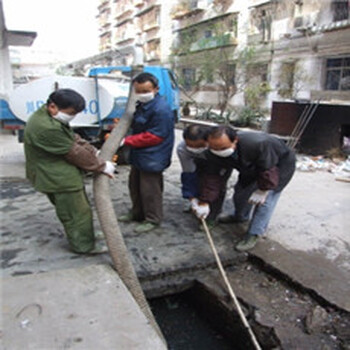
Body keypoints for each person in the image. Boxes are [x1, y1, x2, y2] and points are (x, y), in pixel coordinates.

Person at [24, 89, 116, 254]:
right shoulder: (46, 127)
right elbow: (74, 152)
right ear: (53, 106)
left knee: (76, 210)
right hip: (58, 178)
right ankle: (84, 246)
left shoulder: (48, 116)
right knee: (76, 214)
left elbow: (71, 138)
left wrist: (92, 150)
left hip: (56, 173)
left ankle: (84, 235)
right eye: (71, 113)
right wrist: (101, 166)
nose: (72, 116)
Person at [194, 125, 296, 251]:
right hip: (249, 168)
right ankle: (240, 216)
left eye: (223, 148)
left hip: (277, 165)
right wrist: (205, 201)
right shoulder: (212, 154)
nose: (219, 151)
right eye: (214, 148)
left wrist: (263, 190)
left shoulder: (257, 144)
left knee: (265, 201)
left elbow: (268, 169)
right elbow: (212, 179)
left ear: (235, 140)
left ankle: (254, 233)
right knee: (241, 194)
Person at [119, 72, 175, 233]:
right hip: (140, 154)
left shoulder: (161, 109)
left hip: (153, 155)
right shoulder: (143, 105)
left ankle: (152, 218)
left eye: (146, 91)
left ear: (156, 89)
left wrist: (127, 141)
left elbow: (155, 136)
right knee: (134, 185)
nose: (142, 94)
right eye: (138, 91)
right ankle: (137, 213)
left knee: (150, 190)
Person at [176, 124, 229, 229]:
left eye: (198, 146)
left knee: (217, 186)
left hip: (219, 164)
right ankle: (198, 205)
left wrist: (206, 201)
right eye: (189, 146)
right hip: (199, 162)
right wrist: (192, 199)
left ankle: (212, 216)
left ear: (207, 141)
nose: (193, 149)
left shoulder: (217, 146)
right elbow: (188, 173)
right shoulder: (182, 149)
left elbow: (214, 179)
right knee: (198, 180)